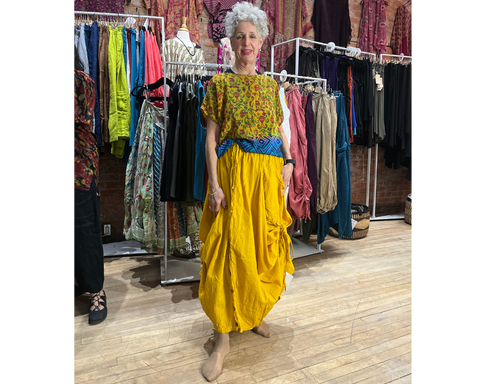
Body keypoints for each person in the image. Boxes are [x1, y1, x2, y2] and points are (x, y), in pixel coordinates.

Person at [198, 2, 296, 381]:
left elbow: (280, 130)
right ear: (231, 42)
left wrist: (288, 163)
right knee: (227, 250)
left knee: (259, 247)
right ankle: (222, 338)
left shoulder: (271, 86)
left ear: (261, 41)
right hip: (235, 177)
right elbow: (210, 140)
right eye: (240, 36)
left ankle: (253, 313)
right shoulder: (219, 85)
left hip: (267, 177)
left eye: (252, 36)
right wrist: (215, 186)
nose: (247, 42)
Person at [71, 44, 107, 325]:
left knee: (85, 229)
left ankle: (97, 290)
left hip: (79, 167)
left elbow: (78, 115)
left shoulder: (82, 81)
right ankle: (78, 280)